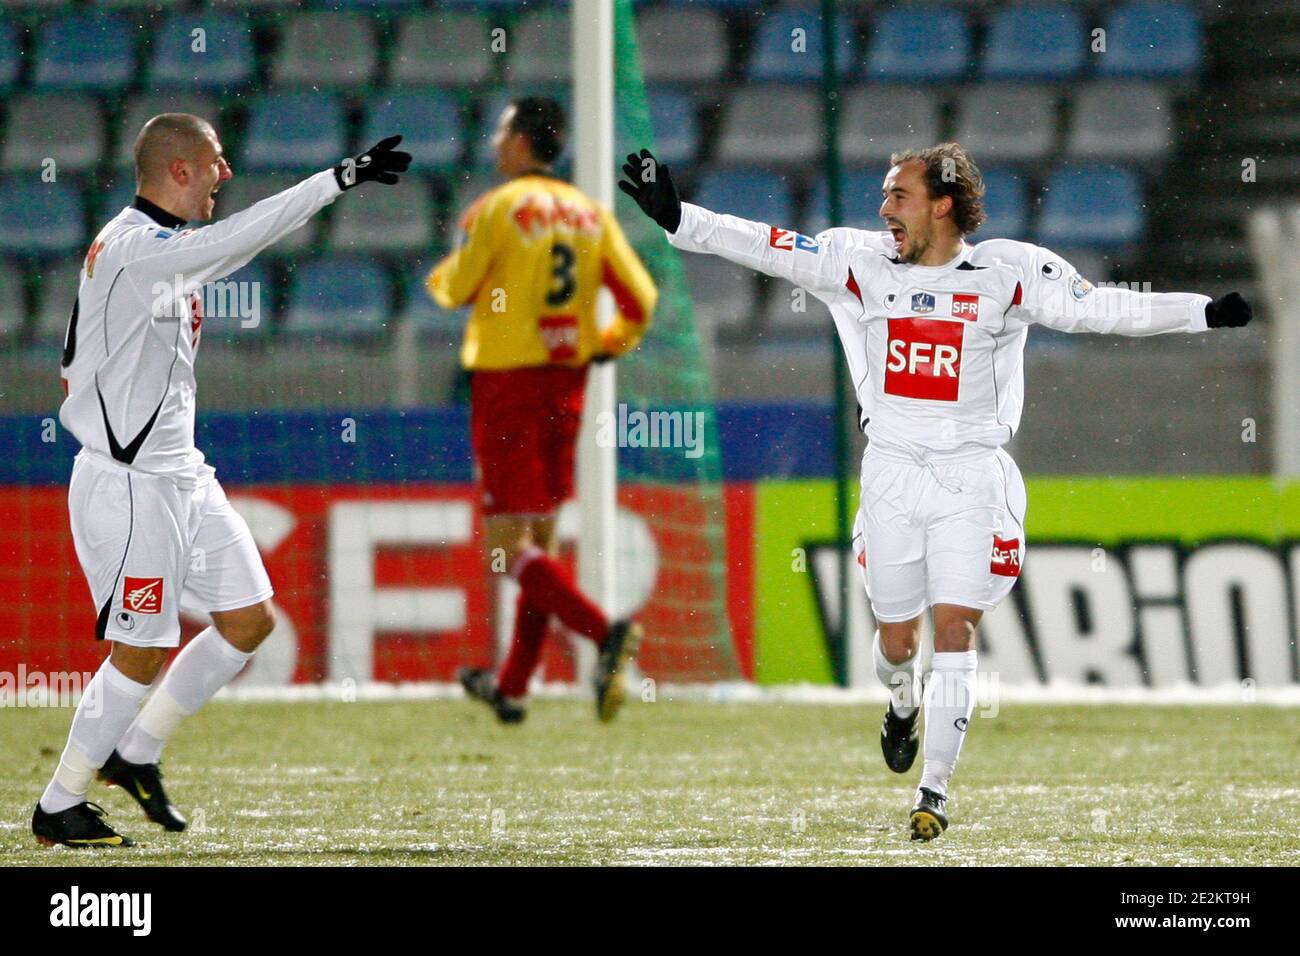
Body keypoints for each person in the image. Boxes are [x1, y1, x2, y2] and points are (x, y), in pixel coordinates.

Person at [618, 143, 1252, 840]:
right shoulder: (855, 263)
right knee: (898, 640)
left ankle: (933, 793)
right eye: (887, 195)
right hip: (890, 474)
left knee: (956, 628)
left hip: (971, 477)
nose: (884, 208)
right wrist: (678, 217)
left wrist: (1204, 313)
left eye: (900, 195)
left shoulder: (1008, 274)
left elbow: (1101, 309)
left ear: (943, 205)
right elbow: (765, 245)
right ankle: (900, 703)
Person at [33, 114, 411, 848]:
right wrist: (334, 181)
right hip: (129, 485)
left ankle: (135, 752)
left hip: (181, 475)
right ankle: (57, 803)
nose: (225, 173)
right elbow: (243, 239)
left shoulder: (158, 249)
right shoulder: (139, 250)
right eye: (214, 162)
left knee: (249, 622)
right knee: (139, 652)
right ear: (179, 170)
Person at [428, 98, 657, 725]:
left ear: (524, 142)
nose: (497, 143)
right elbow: (640, 297)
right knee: (542, 544)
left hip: (507, 384)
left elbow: (455, 288)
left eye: (503, 132)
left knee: (506, 547)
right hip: (568, 384)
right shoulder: (591, 213)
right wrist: (607, 348)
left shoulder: (496, 208)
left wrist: (440, 272)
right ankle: (513, 686)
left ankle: (605, 632)